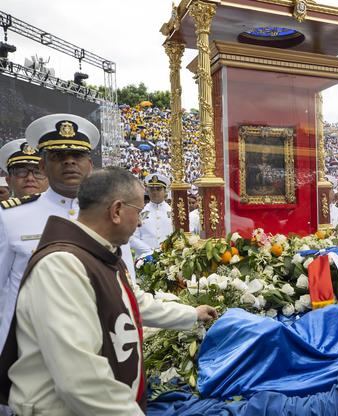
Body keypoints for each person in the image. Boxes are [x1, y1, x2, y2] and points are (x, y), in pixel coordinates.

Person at [0, 167, 218, 415]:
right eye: (137, 212)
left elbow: (133, 301)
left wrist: (191, 315)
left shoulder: (98, 253)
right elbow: (81, 378)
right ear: (116, 211)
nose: (139, 222)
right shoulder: (61, 266)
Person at [0, 114, 137, 354]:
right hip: (31, 349)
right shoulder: (10, 218)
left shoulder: (112, 214)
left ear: (90, 166)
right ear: (43, 166)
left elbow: (126, 283)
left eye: (78, 156)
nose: (69, 162)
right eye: (59, 156)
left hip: (97, 342)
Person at [130, 173, 173, 257]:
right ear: (147, 191)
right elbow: (132, 238)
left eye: (158, 189)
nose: (155, 192)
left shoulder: (173, 212)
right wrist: (150, 251)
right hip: (144, 259)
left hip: (168, 257)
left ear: (165, 191)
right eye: (152, 189)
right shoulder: (139, 212)